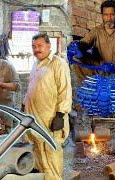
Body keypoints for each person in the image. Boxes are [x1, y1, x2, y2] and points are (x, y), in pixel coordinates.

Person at [23, 33, 72, 179]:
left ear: (49, 46)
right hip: (34, 119)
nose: (36, 49)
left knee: (51, 155)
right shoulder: (35, 64)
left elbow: (65, 90)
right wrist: (24, 105)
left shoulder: (58, 63)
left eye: (39, 46)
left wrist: (60, 115)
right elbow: (31, 88)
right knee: (37, 154)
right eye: (33, 46)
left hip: (50, 120)